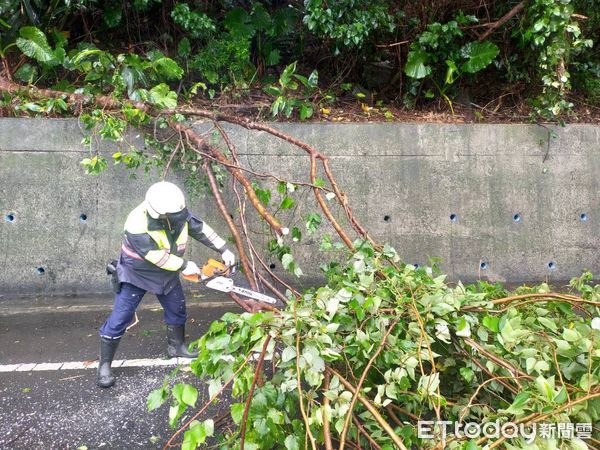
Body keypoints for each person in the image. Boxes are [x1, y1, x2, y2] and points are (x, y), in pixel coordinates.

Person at [96, 181, 235, 388]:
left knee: (177, 308)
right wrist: (185, 265)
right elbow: (154, 256)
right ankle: (104, 365)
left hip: (167, 272)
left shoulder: (176, 211)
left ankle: (176, 347)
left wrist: (224, 249)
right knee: (121, 317)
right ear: (159, 213)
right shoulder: (136, 223)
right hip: (137, 273)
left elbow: (200, 229)